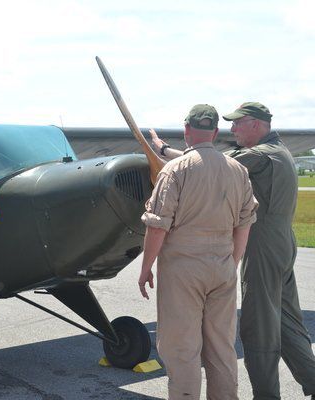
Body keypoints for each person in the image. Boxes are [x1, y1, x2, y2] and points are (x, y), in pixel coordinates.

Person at [138, 104, 258, 400]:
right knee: (221, 348)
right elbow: (245, 225)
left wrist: (145, 268)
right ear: (216, 132)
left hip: (183, 269)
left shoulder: (175, 170)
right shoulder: (238, 170)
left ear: (187, 131)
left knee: (182, 350)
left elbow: (157, 227)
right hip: (222, 265)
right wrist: (231, 262)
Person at [222, 102, 315, 400]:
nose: (232, 128)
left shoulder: (263, 155)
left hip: (263, 245)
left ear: (256, 124)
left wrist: (164, 154)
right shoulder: (278, 151)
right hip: (280, 243)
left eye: (238, 123)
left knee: (257, 326)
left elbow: (214, 165)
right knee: (286, 323)